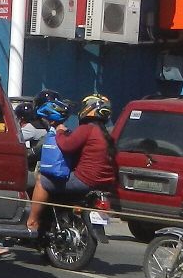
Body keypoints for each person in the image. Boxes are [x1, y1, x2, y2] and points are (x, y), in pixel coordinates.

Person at [23, 92, 115, 236]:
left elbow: (67, 146)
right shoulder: (106, 133)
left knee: (42, 182)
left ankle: (32, 222)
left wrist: (60, 132)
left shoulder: (87, 129)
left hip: (85, 180)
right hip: (103, 183)